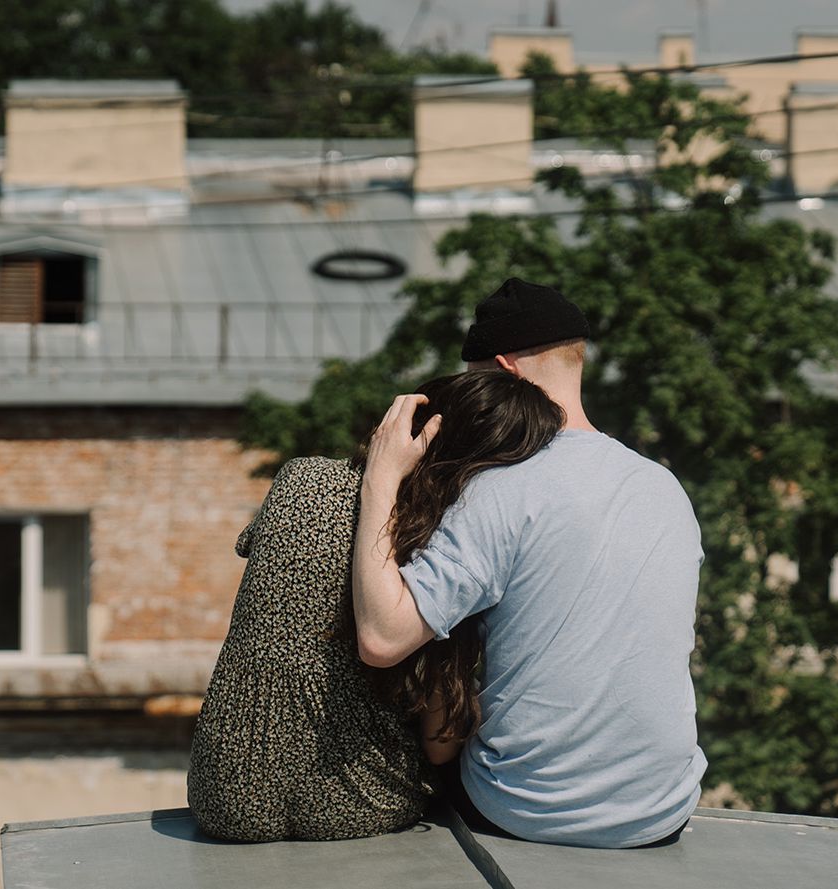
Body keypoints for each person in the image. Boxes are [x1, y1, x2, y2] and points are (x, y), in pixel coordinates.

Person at [352, 277, 708, 849]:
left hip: (529, 811)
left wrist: (381, 478)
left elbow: (382, 637)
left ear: (504, 373)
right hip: (661, 812)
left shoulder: (501, 489)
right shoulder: (663, 486)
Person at [188, 370, 563, 842]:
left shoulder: (300, 477)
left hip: (223, 795)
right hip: (356, 804)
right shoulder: (440, 546)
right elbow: (439, 740)